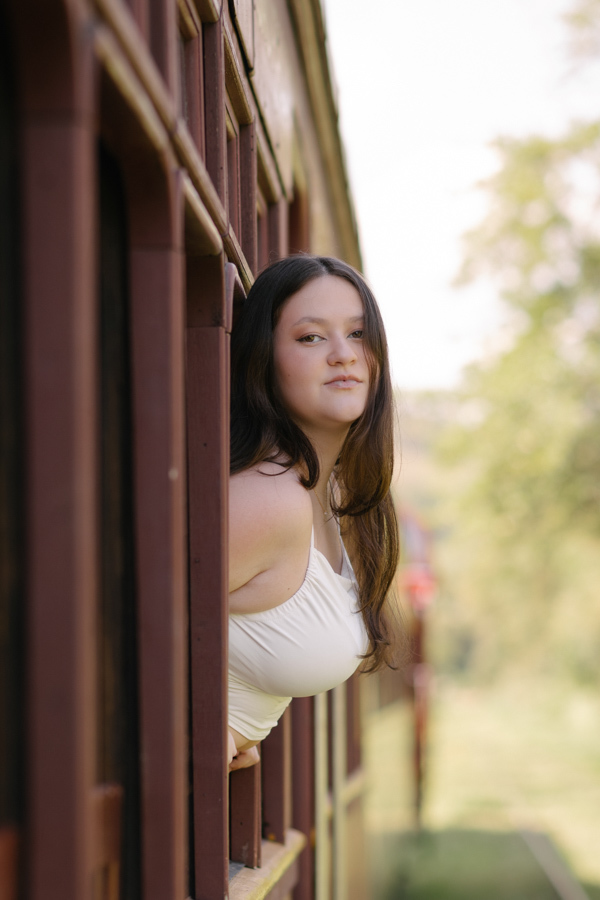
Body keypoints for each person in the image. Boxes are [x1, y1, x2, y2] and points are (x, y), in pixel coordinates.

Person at [227, 255, 400, 771]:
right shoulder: (270, 500)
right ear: (263, 359)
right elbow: (121, 634)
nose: (343, 355)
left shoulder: (330, 497)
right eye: (310, 338)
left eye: (358, 334)